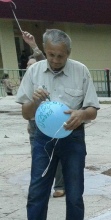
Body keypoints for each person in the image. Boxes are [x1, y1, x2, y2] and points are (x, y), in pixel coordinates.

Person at [4, 29, 100, 220]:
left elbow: (92, 110)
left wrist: (81, 114)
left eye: (60, 56)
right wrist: (35, 101)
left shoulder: (81, 71)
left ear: (68, 53)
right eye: (51, 55)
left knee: (74, 192)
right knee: (37, 190)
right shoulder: (34, 71)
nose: (55, 60)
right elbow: (25, 113)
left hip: (72, 138)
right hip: (42, 139)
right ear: (45, 51)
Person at [24, 32, 65, 198]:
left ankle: (60, 185)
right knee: (38, 157)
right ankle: (41, 187)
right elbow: (25, 108)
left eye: (32, 64)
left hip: (51, 121)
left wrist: (33, 45)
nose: (30, 67)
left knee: (57, 154)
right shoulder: (29, 80)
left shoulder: (46, 74)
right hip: (34, 123)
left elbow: (44, 59)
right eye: (28, 65)